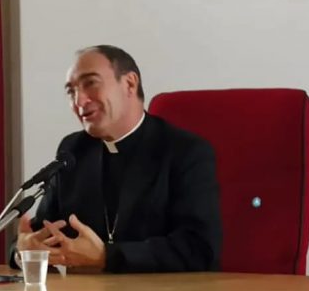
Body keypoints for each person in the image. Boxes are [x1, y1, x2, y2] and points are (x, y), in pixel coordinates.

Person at [14, 45, 222, 273]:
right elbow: (42, 233)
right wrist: (23, 250)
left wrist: (106, 256)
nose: (79, 101)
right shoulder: (73, 150)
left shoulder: (186, 151)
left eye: (90, 83)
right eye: (71, 92)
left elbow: (199, 249)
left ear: (130, 84)